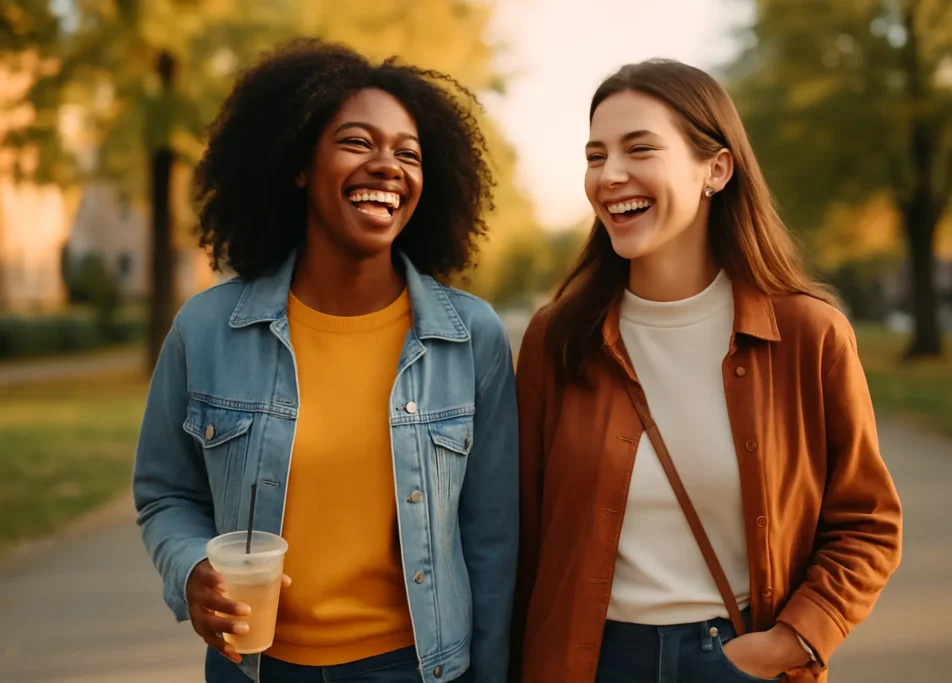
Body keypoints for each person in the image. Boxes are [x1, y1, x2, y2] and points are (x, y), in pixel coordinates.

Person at [133, 39, 518, 683]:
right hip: (253, 667)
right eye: (358, 142)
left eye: (408, 152)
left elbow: (493, 540)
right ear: (298, 165)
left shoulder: (471, 338)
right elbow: (165, 493)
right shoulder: (206, 329)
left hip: (415, 668)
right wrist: (192, 567)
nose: (388, 165)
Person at [512, 59, 902, 683]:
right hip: (586, 661)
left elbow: (867, 523)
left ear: (716, 169)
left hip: (737, 659)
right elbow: (520, 535)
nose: (611, 176)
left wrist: (794, 640)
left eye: (640, 149)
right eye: (595, 156)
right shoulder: (558, 341)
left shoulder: (808, 334)